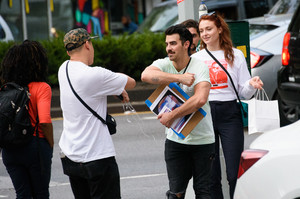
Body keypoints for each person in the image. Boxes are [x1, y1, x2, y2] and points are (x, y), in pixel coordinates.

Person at [191, 12, 263, 199]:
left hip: (230, 113)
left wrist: (252, 85)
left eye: (209, 29)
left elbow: (242, 92)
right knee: (211, 176)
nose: (205, 34)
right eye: (201, 31)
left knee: (234, 173)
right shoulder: (196, 58)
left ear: (220, 29)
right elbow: (190, 89)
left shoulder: (235, 54)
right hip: (205, 114)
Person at [58, 28, 136, 199]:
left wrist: (112, 89)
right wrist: (114, 85)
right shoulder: (96, 75)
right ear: (87, 44)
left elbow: (88, 90)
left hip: (71, 156)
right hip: (97, 157)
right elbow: (131, 82)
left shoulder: (63, 69)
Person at [141, 24, 215, 199]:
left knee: (203, 191)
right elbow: (145, 75)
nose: (169, 48)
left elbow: (200, 99)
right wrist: (179, 78)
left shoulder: (200, 66)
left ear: (186, 44)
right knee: (176, 193)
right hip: (176, 141)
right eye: (167, 44)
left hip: (202, 141)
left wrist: (172, 115)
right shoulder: (164, 64)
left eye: (173, 44)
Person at [1, 40, 54, 198]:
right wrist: (50, 144)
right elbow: (44, 120)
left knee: (22, 194)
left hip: (9, 150)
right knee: (41, 194)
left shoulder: (5, 88)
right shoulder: (42, 87)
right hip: (35, 145)